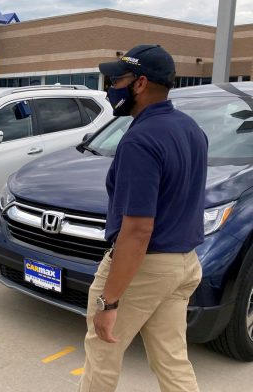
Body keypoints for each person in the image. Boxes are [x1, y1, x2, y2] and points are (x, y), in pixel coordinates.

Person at [78, 44, 208, 392]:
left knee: (101, 355)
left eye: (117, 79)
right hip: (184, 263)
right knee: (171, 360)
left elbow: (137, 230)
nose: (111, 86)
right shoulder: (191, 130)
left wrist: (109, 301)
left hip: (146, 267)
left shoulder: (141, 140)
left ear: (139, 84)